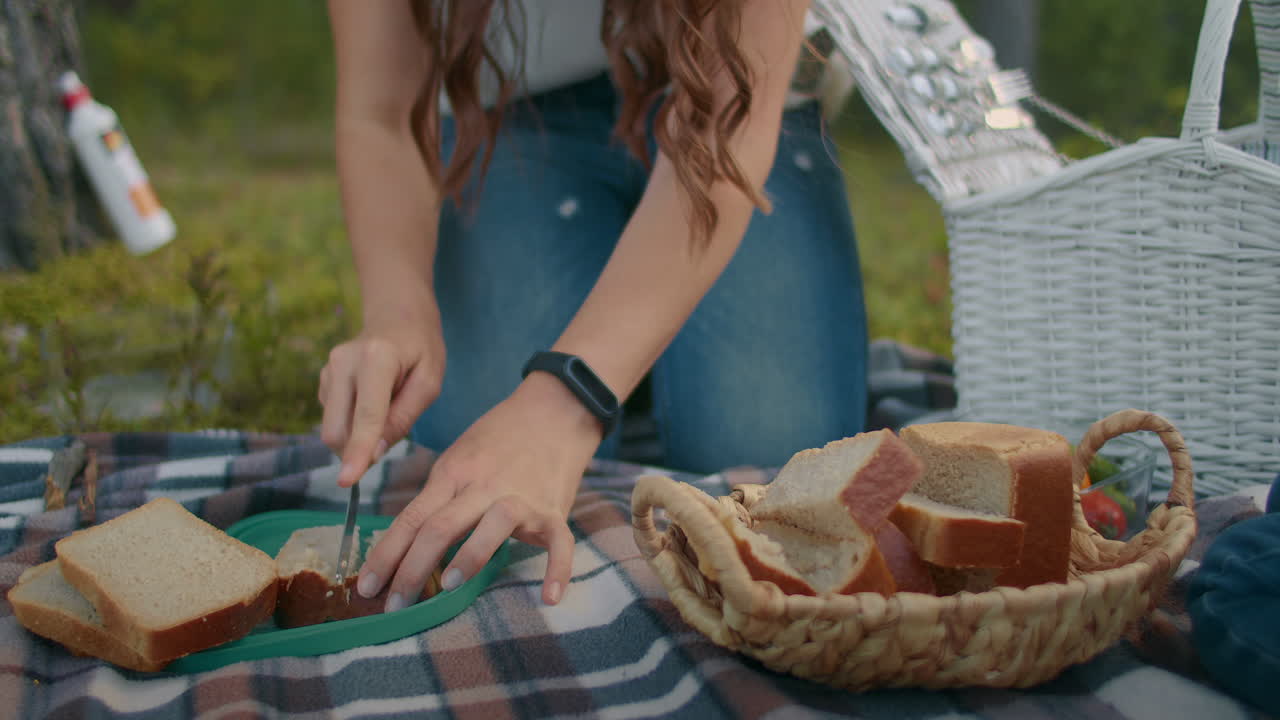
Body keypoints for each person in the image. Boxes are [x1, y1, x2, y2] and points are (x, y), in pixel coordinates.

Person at [318, 0, 868, 611]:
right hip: (514, 109)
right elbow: (382, 113)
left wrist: (565, 400)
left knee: (770, 460)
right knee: (468, 468)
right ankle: (637, 341)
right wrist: (399, 310)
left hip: (741, 95)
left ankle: (634, 346)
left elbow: (725, 129)